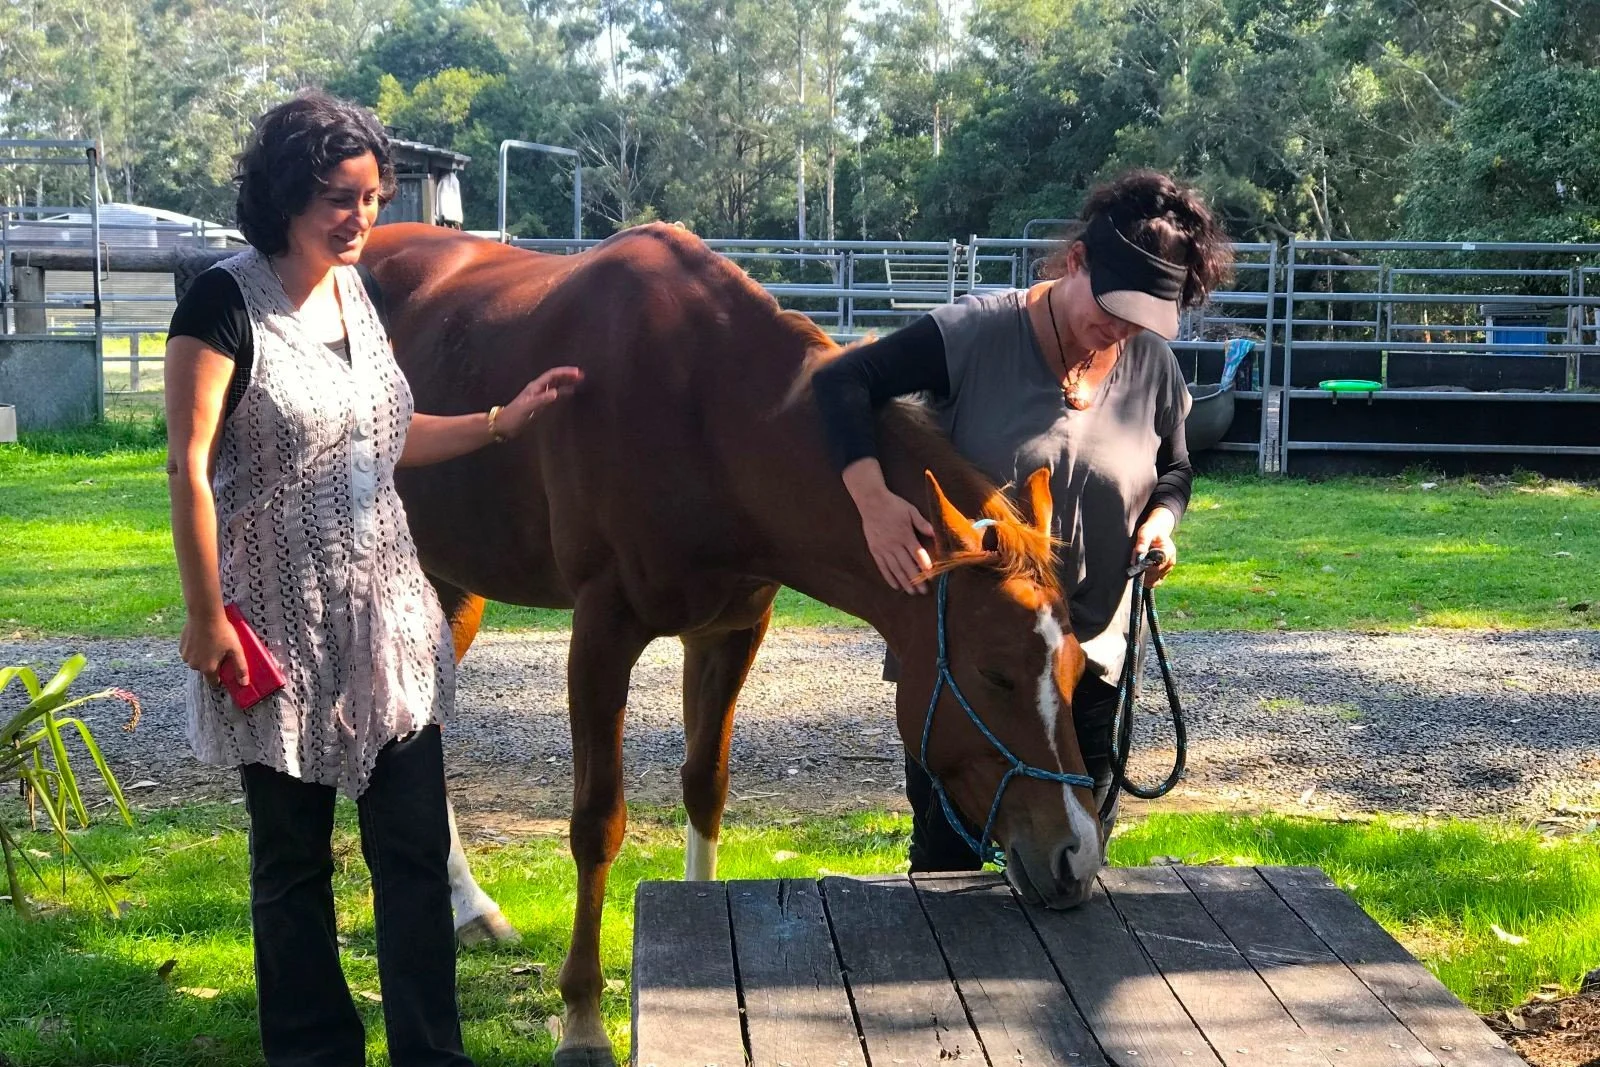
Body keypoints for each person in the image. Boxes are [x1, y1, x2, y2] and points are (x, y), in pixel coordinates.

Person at [164, 91, 581, 1067]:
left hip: (390, 622)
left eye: (373, 195)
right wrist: (201, 616)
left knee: (409, 855)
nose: (361, 215)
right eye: (341, 197)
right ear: (284, 194)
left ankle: (431, 1052)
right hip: (275, 622)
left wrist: (495, 423)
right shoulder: (223, 301)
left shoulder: (357, 295)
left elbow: (384, 431)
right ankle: (314, 1053)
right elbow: (187, 465)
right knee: (292, 863)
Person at [812, 169, 1232, 872]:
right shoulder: (974, 333)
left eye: (1140, 318)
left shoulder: (1151, 364)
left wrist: (1162, 520)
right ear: (1075, 263)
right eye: (1112, 307)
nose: (1120, 329)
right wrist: (873, 502)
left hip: (1086, 662)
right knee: (948, 865)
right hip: (980, 664)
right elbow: (840, 381)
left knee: (1069, 868)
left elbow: (1176, 467)